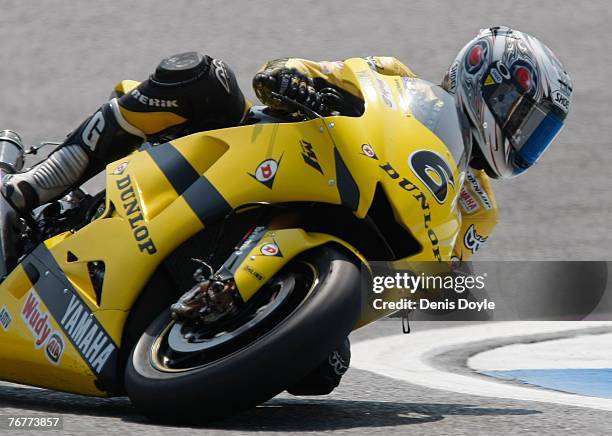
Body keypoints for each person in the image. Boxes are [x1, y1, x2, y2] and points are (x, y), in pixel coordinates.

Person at [0, 26, 573, 394]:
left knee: (321, 376)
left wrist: (336, 319)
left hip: (344, 247)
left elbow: (425, 278)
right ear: (483, 82)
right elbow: (310, 72)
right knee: (201, 76)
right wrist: (296, 80)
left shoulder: (479, 212)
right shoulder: (398, 79)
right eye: (521, 117)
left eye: (536, 133)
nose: (524, 138)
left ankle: (221, 327)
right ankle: (35, 182)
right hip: (265, 159)